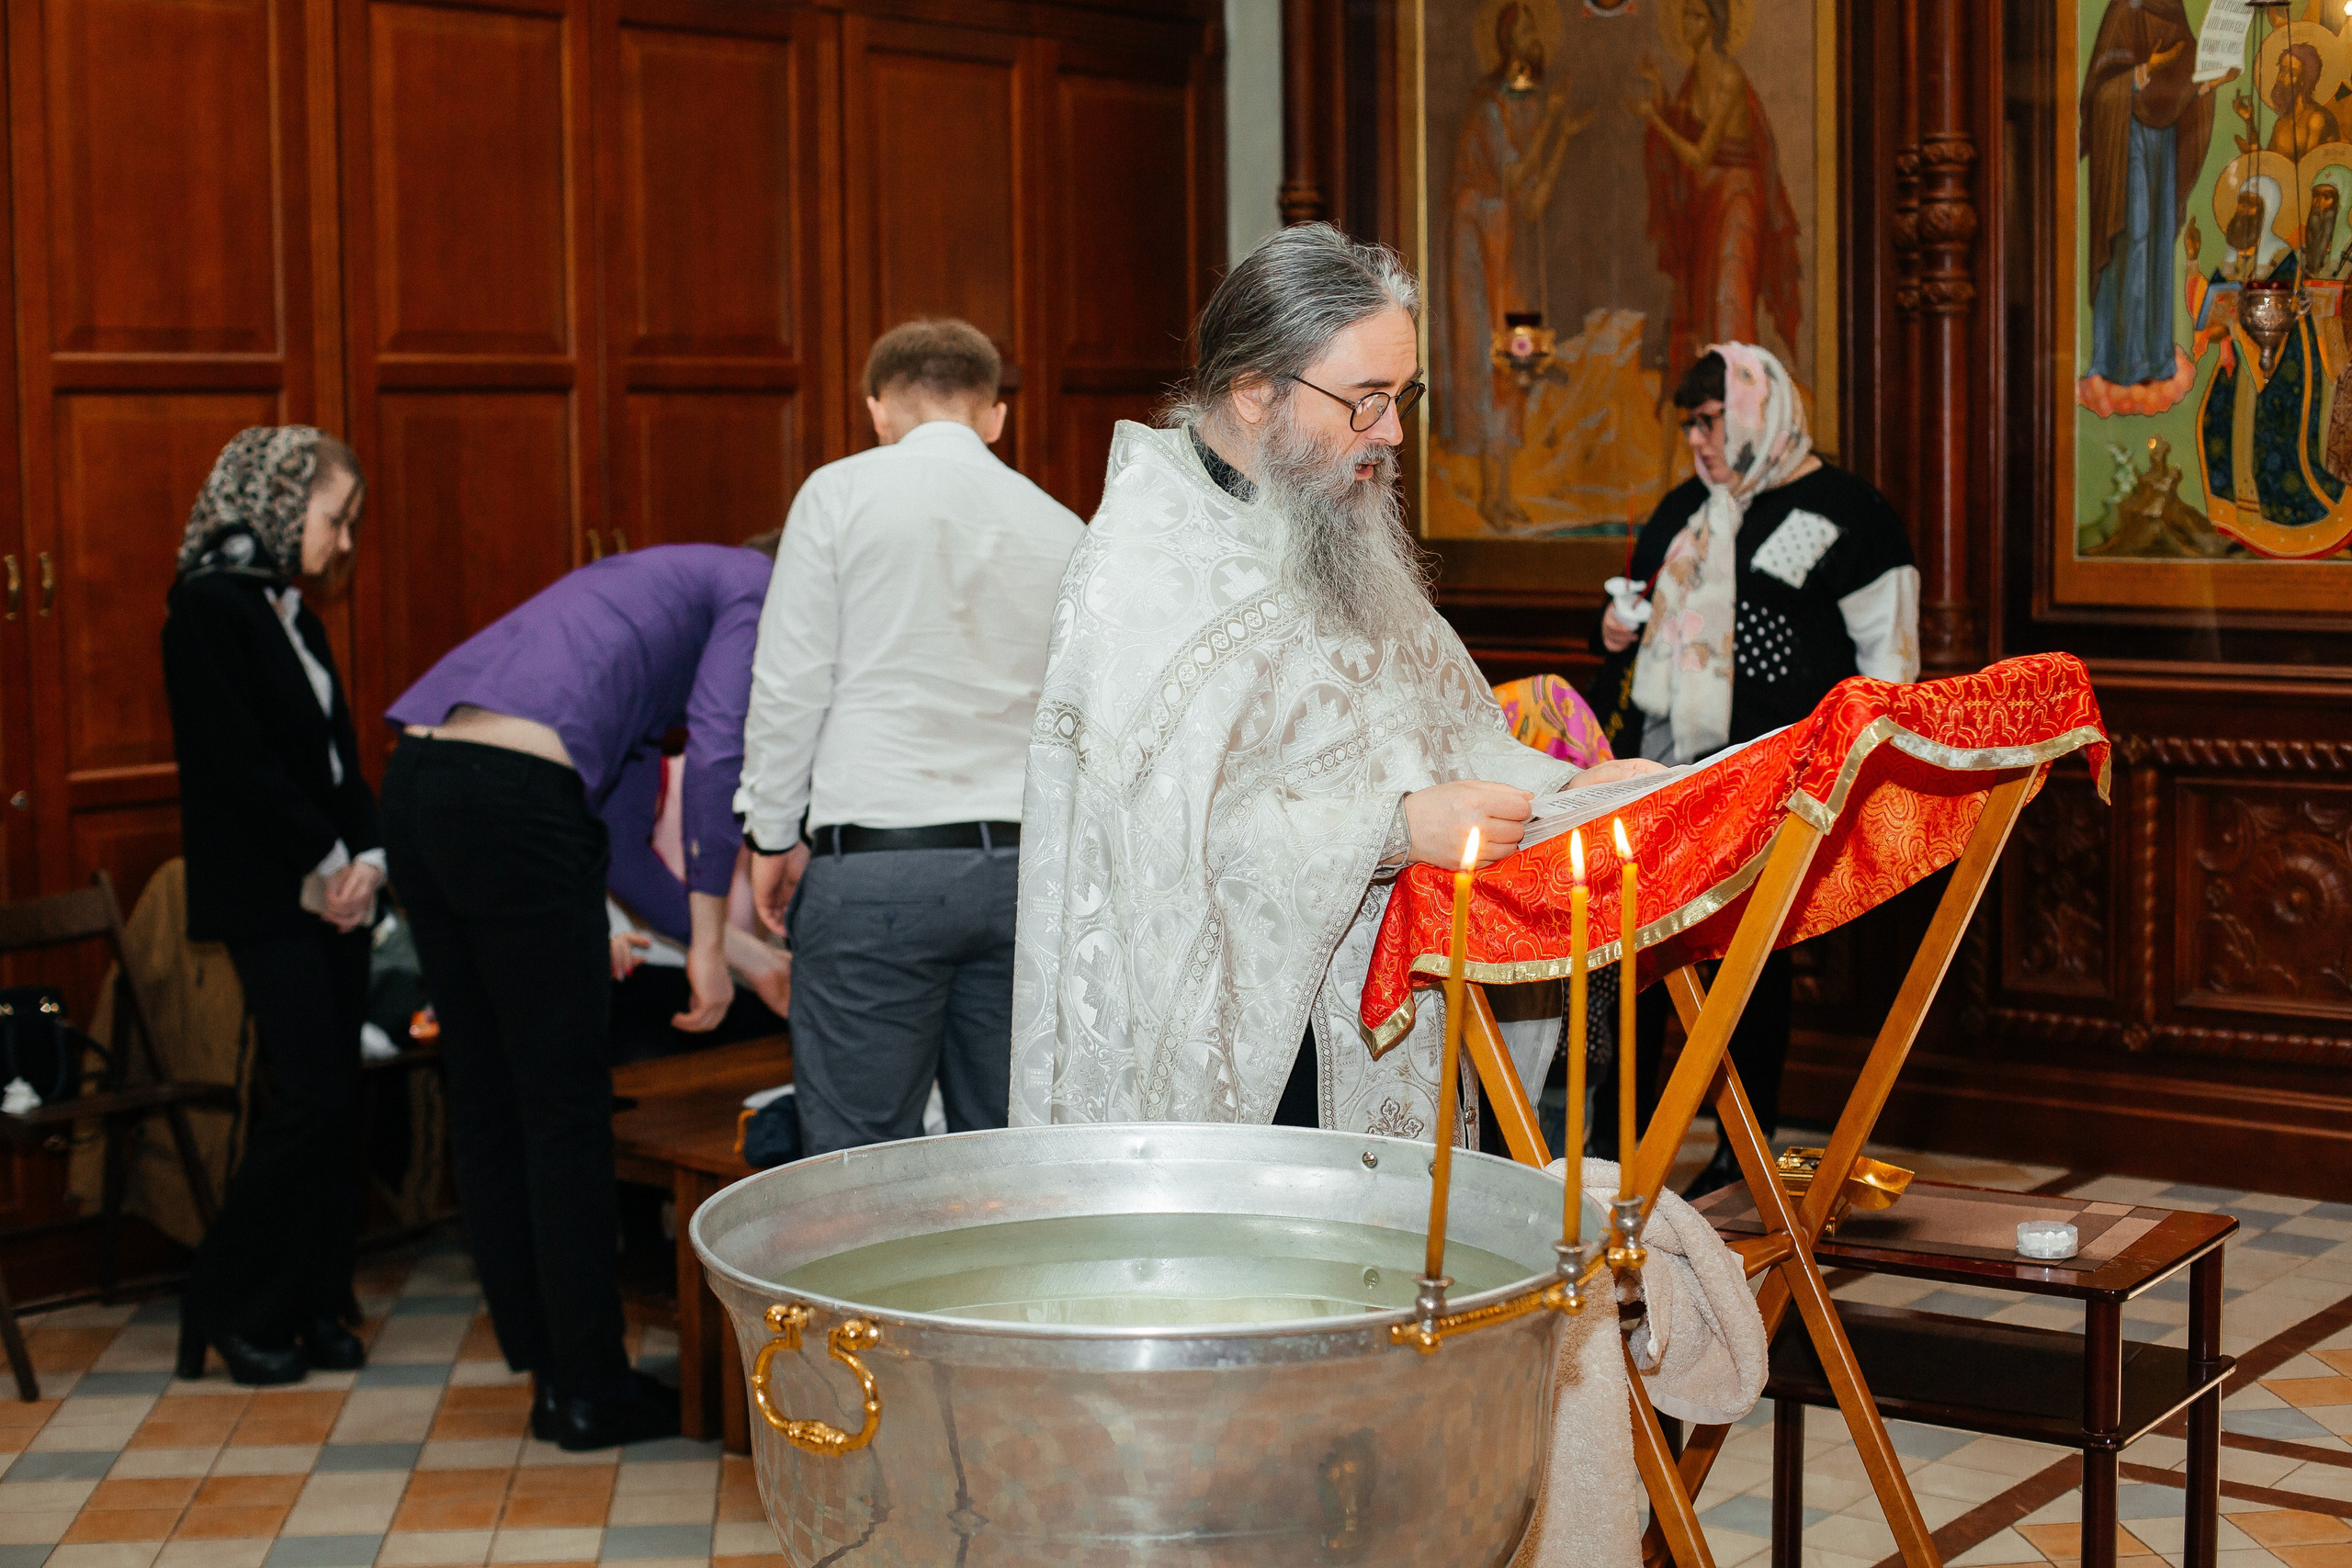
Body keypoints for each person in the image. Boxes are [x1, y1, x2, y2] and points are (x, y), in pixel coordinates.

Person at [1010, 223, 1657, 1136]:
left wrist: (1564, 788)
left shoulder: (1333, 527)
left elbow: (1436, 732)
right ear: (1251, 393)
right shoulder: (1143, 574)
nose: (1391, 432)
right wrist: (1388, 833)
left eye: (1402, 396)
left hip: (1383, 1013)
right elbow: (1150, 853)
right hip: (1242, 1066)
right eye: (1364, 399)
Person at [380, 541, 771, 1449]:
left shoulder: (647, 611)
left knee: (488, 1101)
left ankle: (555, 1373)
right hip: (514, 795)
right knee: (563, 1109)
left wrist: (742, 952)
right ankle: (589, 1386)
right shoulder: (754, 586)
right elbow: (718, 754)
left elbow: (626, 852)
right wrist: (710, 941)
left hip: (418, 785)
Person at [740, 319, 1083, 1157]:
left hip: (878, 865)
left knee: (860, 1162)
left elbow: (790, 684)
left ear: (878, 413)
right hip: (1025, 877)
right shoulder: (1062, 526)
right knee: (1005, 1161)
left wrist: (771, 833)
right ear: (996, 417)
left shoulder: (837, 493)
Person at [1599, 343, 1918, 1194]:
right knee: (1634, 958)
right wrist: (1618, 637)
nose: (1700, 442)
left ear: (1758, 409)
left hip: (1780, 777)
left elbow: (1889, 662)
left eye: (1712, 421)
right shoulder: (1684, 512)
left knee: (1748, 966)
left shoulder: (1851, 513)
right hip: (1662, 774)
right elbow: (1631, 635)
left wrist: (1855, 773)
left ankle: (1744, 1145)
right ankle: (1613, 1149)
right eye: (1691, 426)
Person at [162, 426, 378, 1385]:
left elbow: (334, 758)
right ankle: (221, 1297)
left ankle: (311, 1300)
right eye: (335, 520)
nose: (343, 544)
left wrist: (368, 853)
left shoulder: (292, 609)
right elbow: (240, 767)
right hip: (268, 895)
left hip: (331, 892)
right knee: (311, 1098)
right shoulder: (208, 611)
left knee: (341, 1109)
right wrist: (330, 857)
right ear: (281, 507)